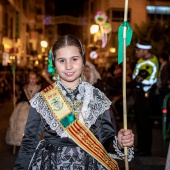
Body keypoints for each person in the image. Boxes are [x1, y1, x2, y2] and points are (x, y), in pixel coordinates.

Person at [14, 34, 134, 170]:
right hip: (51, 164)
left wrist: (119, 141)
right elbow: (29, 142)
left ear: (83, 60)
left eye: (74, 59)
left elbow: (105, 139)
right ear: (54, 63)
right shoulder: (42, 99)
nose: (68, 66)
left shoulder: (97, 97)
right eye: (61, 61)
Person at [132, 40, 159, 156]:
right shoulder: (142, 60)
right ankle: (140, 147)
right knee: (139, 123)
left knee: (144, 124)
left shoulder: (150, 63)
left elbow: (138, 80)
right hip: (139, 95)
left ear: (145, 50)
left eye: (138, 50)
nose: (136, 52)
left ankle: (145, 150)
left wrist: (127, 83)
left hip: (145, 96)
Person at [6, 71, 41, 146]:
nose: (33, 80)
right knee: (19, 120)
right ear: (28, 79)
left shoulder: (39, 88)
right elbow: (21, 97)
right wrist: (16, 99)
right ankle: (20, 140)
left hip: (34, 108)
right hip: (24, 106)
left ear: (37, 79)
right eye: (31, 78)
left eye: (34, 78)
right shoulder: (25, 88)